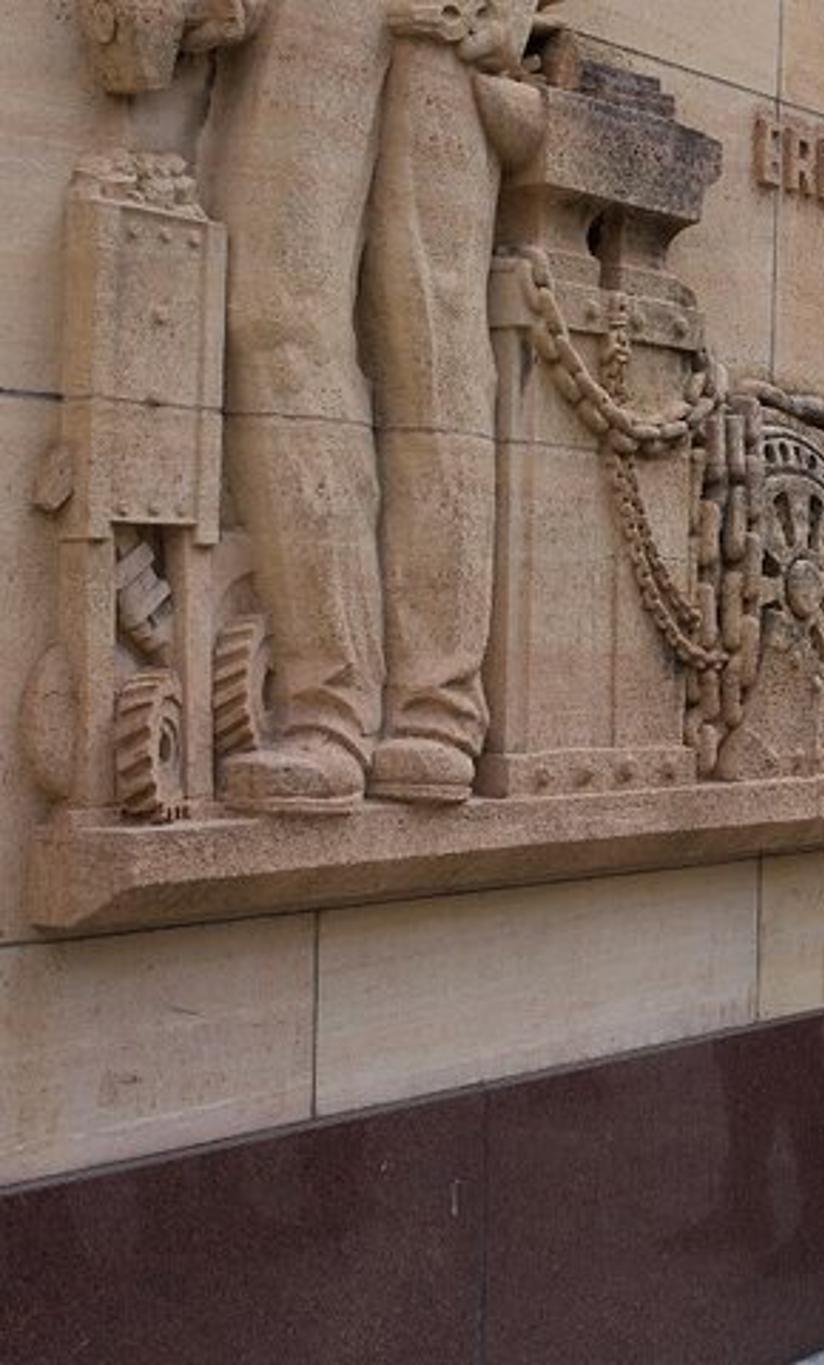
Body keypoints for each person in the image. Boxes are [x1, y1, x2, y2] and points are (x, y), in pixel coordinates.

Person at [87, 1, 542, 812]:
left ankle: (437, 706)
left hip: (453, 24)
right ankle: (327, 705)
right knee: (274, 316)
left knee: (432, 337)